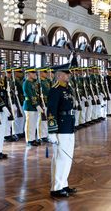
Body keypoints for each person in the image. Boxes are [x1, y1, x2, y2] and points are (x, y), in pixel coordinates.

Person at [46, 63, 77, 198]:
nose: (68, 75)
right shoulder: (55, 90)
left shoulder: (67, 88)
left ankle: (63, 183)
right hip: (60, 127)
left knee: (68, 157)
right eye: (66, 74)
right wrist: (52, 131)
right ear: (59, 75)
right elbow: (51, 111)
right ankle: (56, 188)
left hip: (69, 125)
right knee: (60, 158)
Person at [23, 67, 41, 147]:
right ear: (29, 74)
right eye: (33, 73)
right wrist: (36, 105)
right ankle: (29, 140)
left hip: (34, 106)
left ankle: (33, 138)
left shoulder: (32, 83)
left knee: (33, 124)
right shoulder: (26, 83)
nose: (35, 74)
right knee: (29, 124)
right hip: (29, 106)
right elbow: (30, 95)